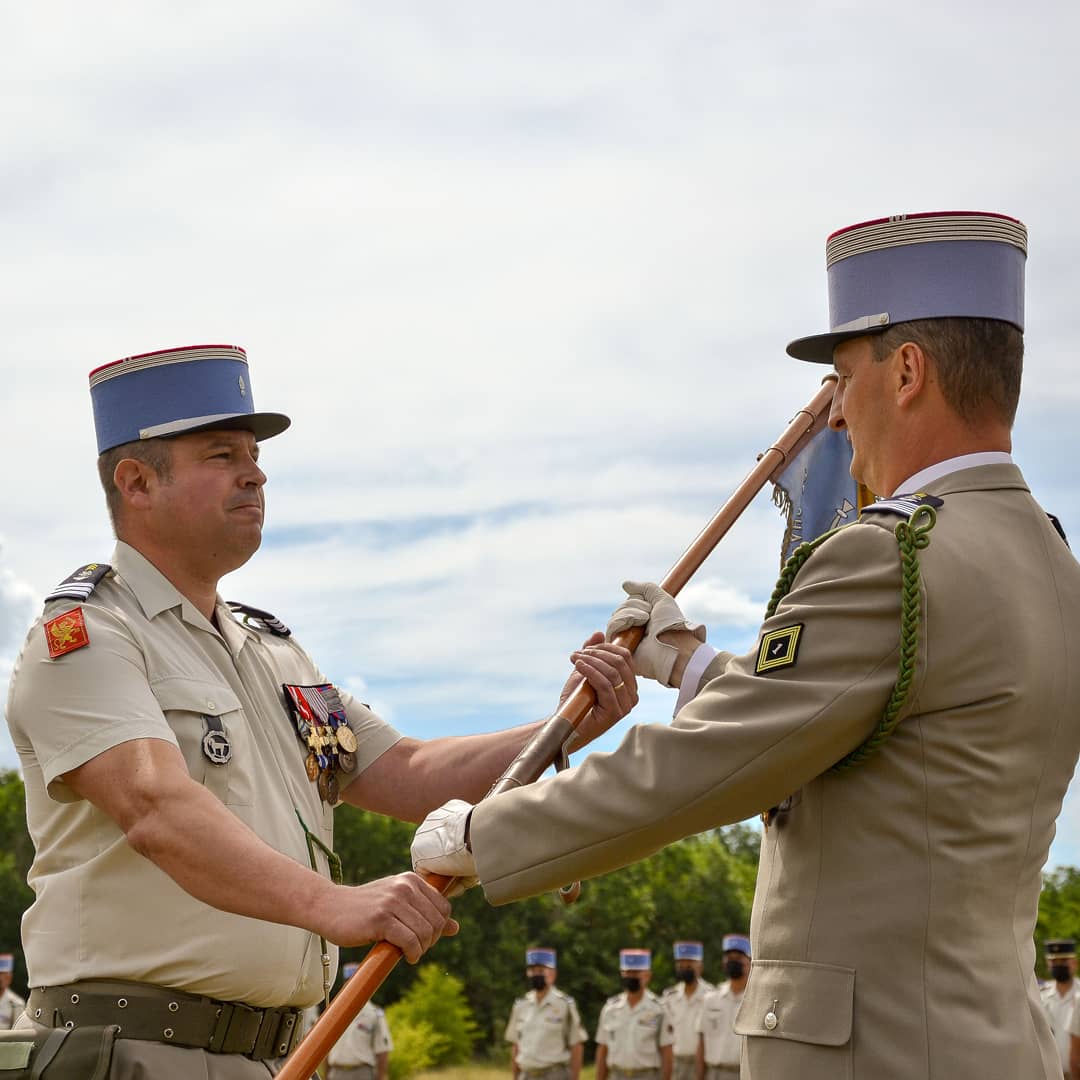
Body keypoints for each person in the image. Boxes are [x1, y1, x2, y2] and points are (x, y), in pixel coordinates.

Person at [413, 211, 1080, 1079]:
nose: (835, 415)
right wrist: (687, 661)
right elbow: (858, 723)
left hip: (872, 1050)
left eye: (843, 377)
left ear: (907, 371)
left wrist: (485, 832)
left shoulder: (888, 557)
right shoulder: (1053, 564)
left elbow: (708, 766)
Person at [5, 344, 636, 1079]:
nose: (256, 472)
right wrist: (335, 904)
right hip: (128, 1052)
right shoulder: (83, 639)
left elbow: (411, 772)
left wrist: (569, 724)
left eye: (254, 454)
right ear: (137, 481)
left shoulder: (275, 654)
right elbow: (155, 806)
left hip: (270, 1054)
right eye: (222, 454)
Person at [503, 947, 587, 1080]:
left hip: (555, 1074)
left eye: (541, 971)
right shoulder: (520, 1005)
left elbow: (576, 1046)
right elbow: (516, 1046)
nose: (536, 975)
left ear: (553, 974)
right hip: (526, 1075)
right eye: (532, 970)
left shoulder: (565, 1004)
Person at [594, 949, 672, 1080]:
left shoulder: (659, 1009)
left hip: (647, 1075)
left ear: (647, 975)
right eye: (628, 972)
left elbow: (667, 1052)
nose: (631, 977)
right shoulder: (610, 1009)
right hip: (617, 1075)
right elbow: (603, 1050)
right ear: (622, 974)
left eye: (636, 973)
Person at [325, 962, 392, 1080]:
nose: (350, 985)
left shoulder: (374, 1014)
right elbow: (325, 1048)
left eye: (355, 980)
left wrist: (380, 1077)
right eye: (348, 980)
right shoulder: (332, 1013)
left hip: (362, 1073)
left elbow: (382, 1051)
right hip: (336, 1072)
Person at [696, 935, 750, 1079]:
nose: (733, 962)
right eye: (729, 957)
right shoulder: (710, 999)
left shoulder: (756, 999)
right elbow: (701, 1042)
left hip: (743, 1074)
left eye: (738, 957)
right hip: (713, 1073)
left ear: (750, 962)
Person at [660, 941, 711, 1080]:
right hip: (677, 1063)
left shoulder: (711, 996)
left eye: (689, 964)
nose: (684, 969)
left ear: (699, 967)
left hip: (703, 1062)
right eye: (681, 965)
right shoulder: (669, 997)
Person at [1043, 939, 1077, 1078]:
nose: (1058, 965)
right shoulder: (1040, 997)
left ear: (1074, 963)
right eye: (1054, 962)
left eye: (1063, 961)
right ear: (1048, 964)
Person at [0, 954, 25, 1029]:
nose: (1, 978)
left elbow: (18, 1034)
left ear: (10, 978)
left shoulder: (17, 1003)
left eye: (4, 974)